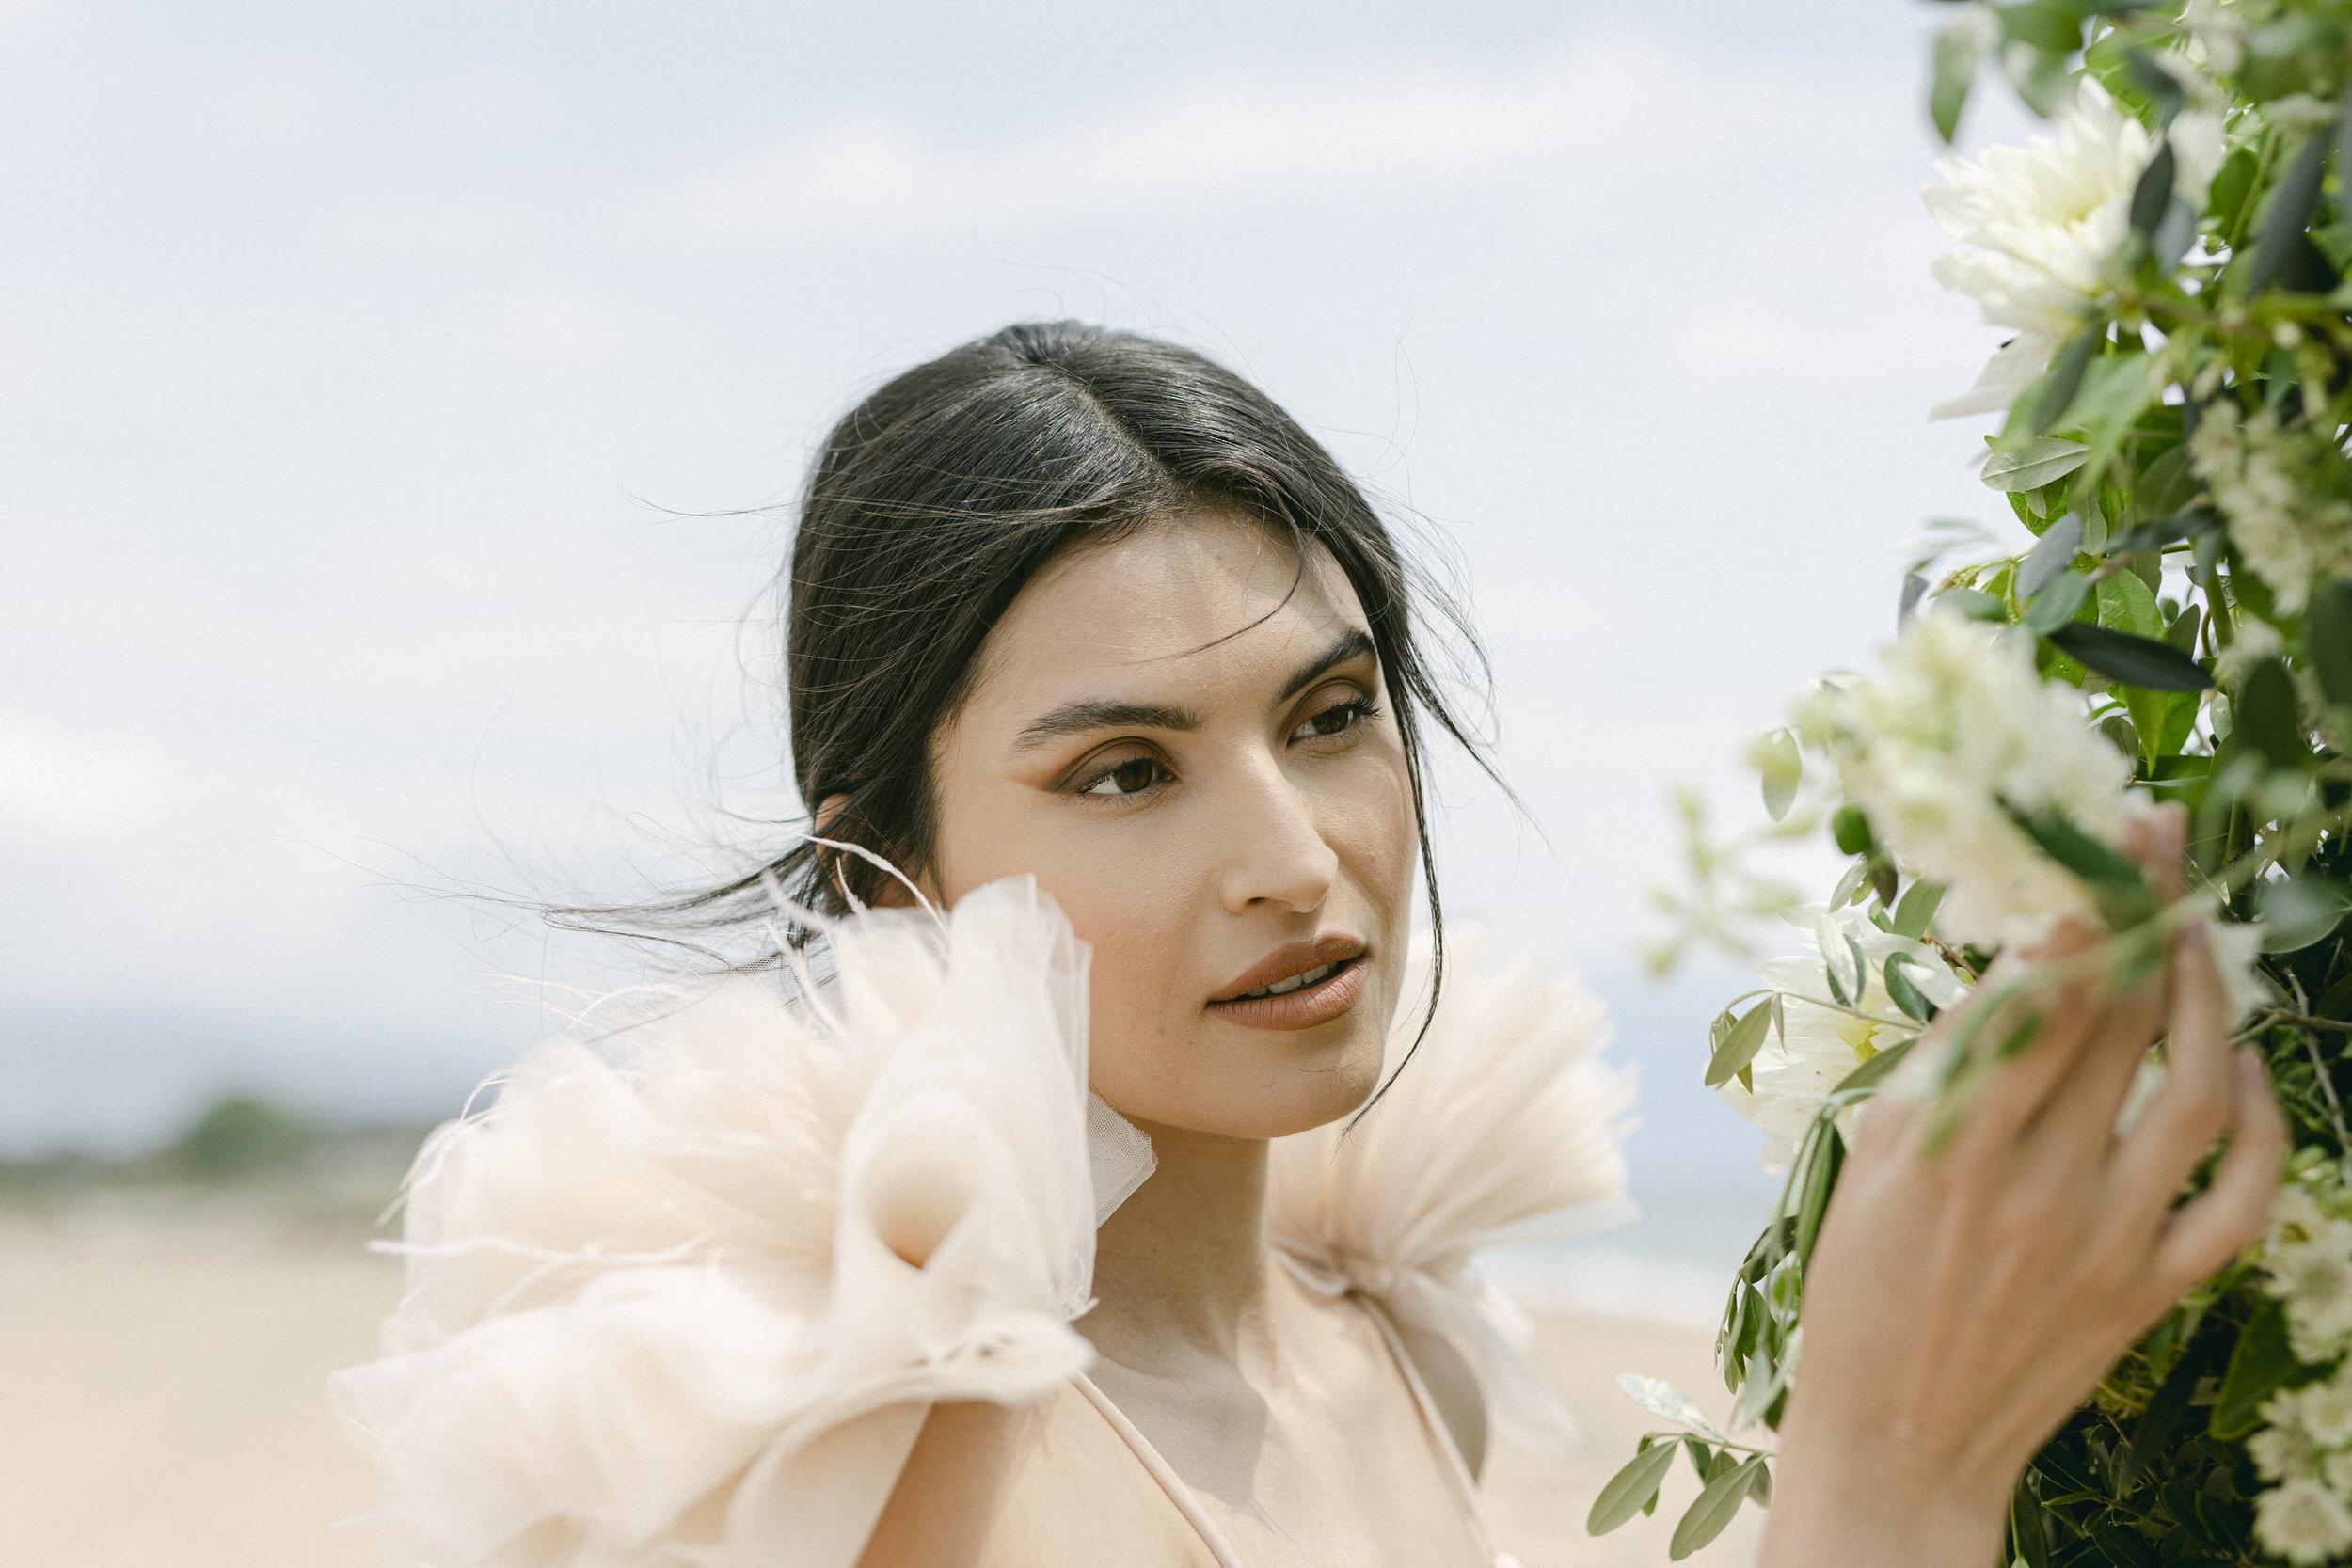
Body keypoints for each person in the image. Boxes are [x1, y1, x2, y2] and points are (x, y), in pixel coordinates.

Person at [329, 321, 2286, 1568]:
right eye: (1121, 772)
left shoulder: (1395, 1335)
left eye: (1330, 718)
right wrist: (1882, 1485)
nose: (1291, 857)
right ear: (881, 882)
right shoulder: (869, 1470)